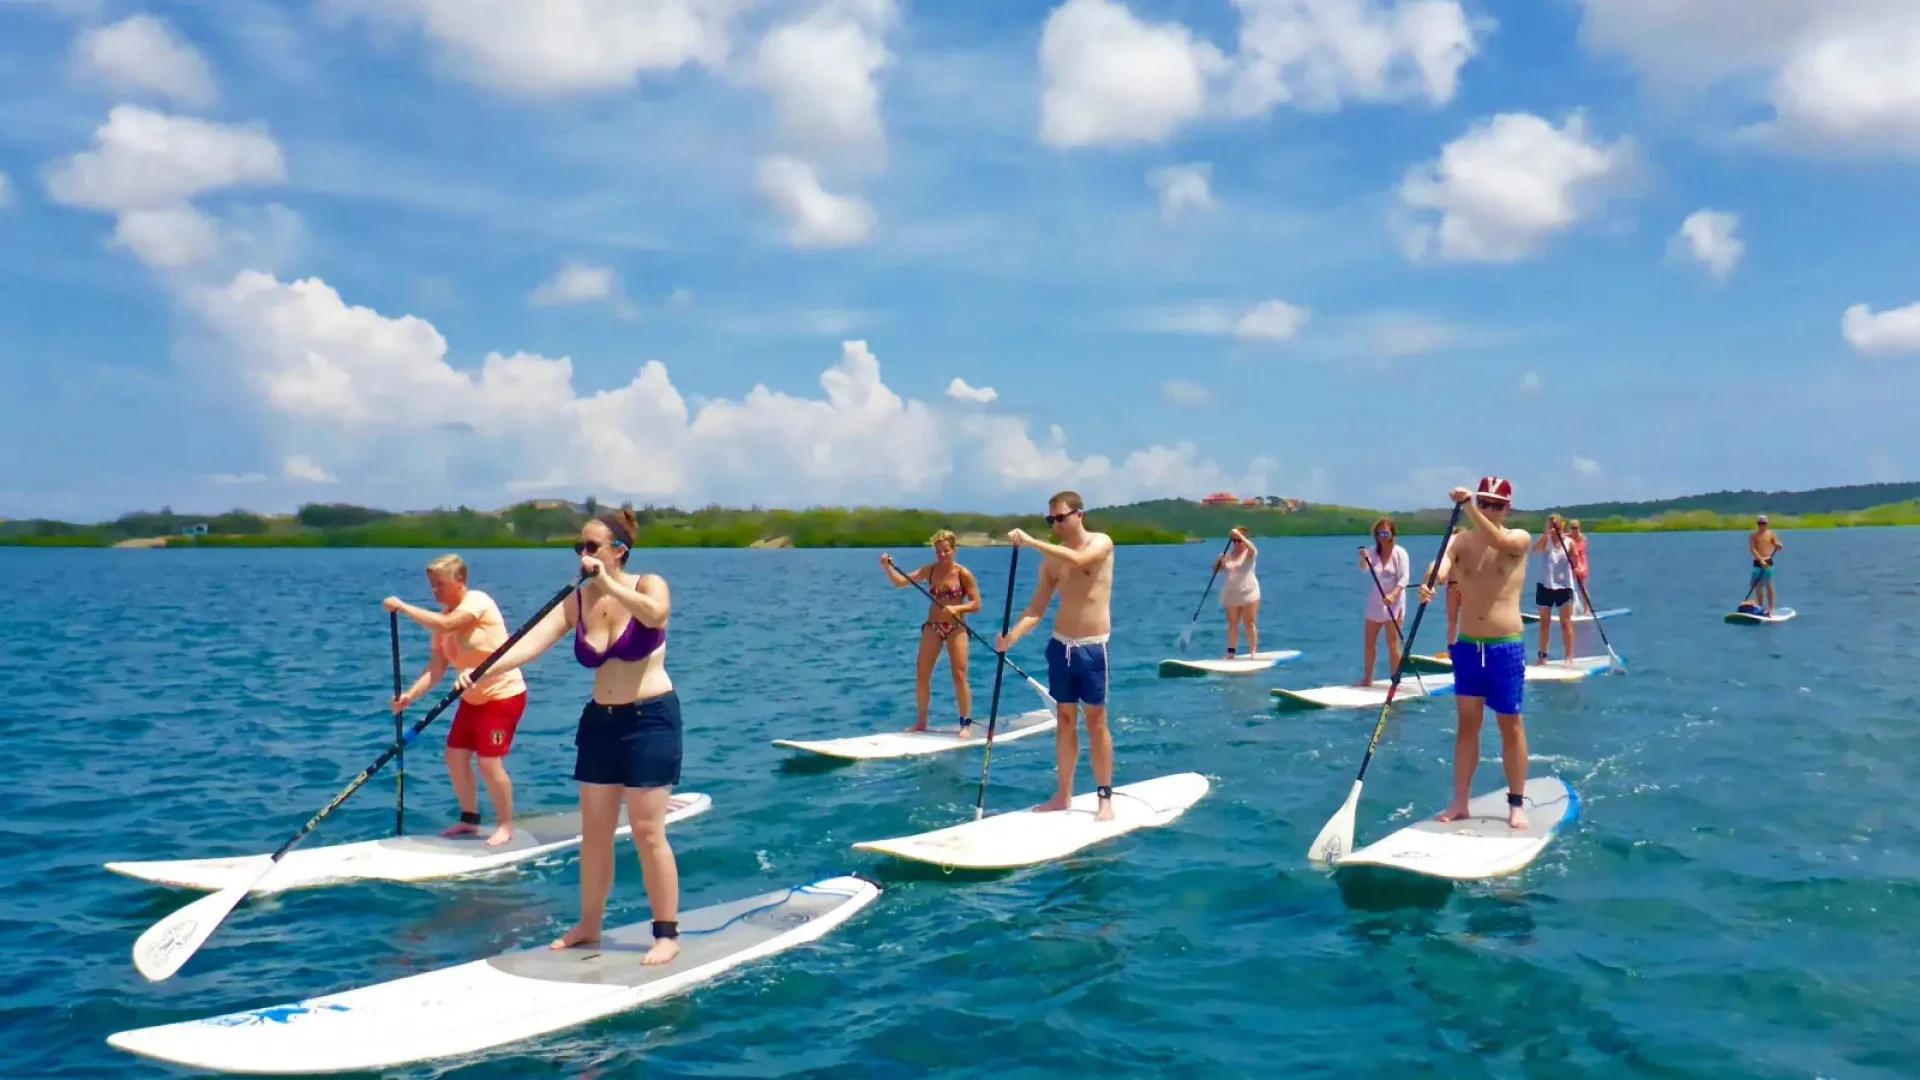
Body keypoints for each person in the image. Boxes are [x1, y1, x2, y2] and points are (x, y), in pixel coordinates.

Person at [455, 510, 683, 965]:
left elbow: (656, 615)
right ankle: (589, 925)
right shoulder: (577, 602)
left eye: (592, 547)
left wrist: (609, 582)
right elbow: (530, 643)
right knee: (595, 830)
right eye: (578, 548)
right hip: (600, 722)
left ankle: (666, 933)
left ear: (619, 550)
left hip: (651, 720)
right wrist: (482, 669)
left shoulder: (646, 585)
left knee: (645, 830)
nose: (583, 555)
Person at [385, 554, 529, 847]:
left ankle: (505, 825)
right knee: (455, 757)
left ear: (461, 581)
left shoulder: (477, 601)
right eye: (432, 586)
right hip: (472, 698)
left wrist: (403, 607)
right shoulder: (443, 619)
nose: (434, 592)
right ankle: (469, 820)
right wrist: (410, 696)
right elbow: (436, 668)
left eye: (440, 585)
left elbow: (448, 624)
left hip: (503, 695)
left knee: (489, 763)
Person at [997, 491, 1118, 822]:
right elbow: (1037, 609)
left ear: (1079, 515)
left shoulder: (1101, 543)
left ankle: (1104, 798)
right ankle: (1063, 795)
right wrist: (1011, 638)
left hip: (1093, 648)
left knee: (1096, 723)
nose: (1056, 525)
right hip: (1059, 646)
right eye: (1050, 520)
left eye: (1060, 518)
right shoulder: (1051, 560)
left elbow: (1079, 562)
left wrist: (1031, 541)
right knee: (1064, 721)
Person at [1420, 477, 1533, 830]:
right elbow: (1439, 568)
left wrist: (1468, 506)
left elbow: (1498, 539)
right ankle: (1460, 802)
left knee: (1509, 724)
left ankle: (1516, 803)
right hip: (1469, 647)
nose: (1489, 509)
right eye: (1484, 502)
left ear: (1507, 508)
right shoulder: (1460, 540)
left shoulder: (1518, 539)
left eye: (1496, 505)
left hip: (1505, 646)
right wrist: (1429, 583)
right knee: (1467, 725)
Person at [879, 531, 982, 736]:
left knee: (959, 675)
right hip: (933, 627)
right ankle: (921, 722)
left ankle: (965, 724)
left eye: (946, 551)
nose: (942, 555)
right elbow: (900, 582)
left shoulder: (963, 574)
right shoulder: (930, 570)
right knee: (922, 674)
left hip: (956, 629)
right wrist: (887, 567)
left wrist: (957, 609)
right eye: (938, 551)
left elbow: (977, 604)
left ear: (954, 550)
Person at [1357, 517, 1409, 686]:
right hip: (1376, 601)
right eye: (1379, 534)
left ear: (1392, 534)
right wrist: (1364, 559)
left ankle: (1395, 681)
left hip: (1395, 602)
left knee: (1392, 644)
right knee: (1369, 643)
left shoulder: (1400, 553)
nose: (1382, 537)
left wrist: (1393, 595)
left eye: (1386, 533)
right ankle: (1368, 679)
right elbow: (1364, 570)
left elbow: (1404, 579)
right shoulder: (1373, 551)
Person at [1531, 515, 1578, 664]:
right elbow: (1536, 550)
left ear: (1562, 525)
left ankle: (1569, 658)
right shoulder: (1546, 541)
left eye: (1557, 526)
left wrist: (1578, 568)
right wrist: (1546, 535)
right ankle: (1542, 656)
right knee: (1545, 622)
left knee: (1566, 623)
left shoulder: (1569, 543)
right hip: (1545, 585)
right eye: (1552, 526)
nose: (1555, 529)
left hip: (1564, 586)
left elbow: (1576, 561)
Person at [1216, 527, 1261, 658]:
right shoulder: (1228, 556)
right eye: (1234, 541)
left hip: (1249, 592)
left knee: (1249, 623)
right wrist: (1219, 563)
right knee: (1233, 623)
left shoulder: (1250, 553)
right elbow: (1217, 570)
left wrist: (1240, 536)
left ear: (1244, 540)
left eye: (1239, 540)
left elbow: (1252, 549)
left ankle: (1253, 651)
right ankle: (1231, 653)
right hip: (1232, 593)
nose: (1236, 543)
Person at [1746, 514, 1785, 614]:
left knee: (1768, 584)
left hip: (1768, 561)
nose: (1761, 526)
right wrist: (1760, 560)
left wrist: (1778, 545)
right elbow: (1752, 549)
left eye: (1763, 523)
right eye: (1760, 523)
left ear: (1766, 524)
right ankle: (1760, 608)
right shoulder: (1753, 536)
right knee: (1757, 586)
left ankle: (1771, 609)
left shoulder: (1771, 534)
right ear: (1757, 524)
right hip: (1758, 562)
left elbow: (1777, 543)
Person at [1567, 519, 1590, 614]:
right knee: (1569, 587)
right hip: (1570, 564)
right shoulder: (1566, 537)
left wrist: (1579, 567)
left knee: (1583, 587)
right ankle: (1570, 609)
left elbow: (1578, 551)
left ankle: (1587, 609)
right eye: (1572, 528)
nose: (1574, 530)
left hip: (1581, 563)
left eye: (1576, 528)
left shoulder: (1583, 538)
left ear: (1579, 528)